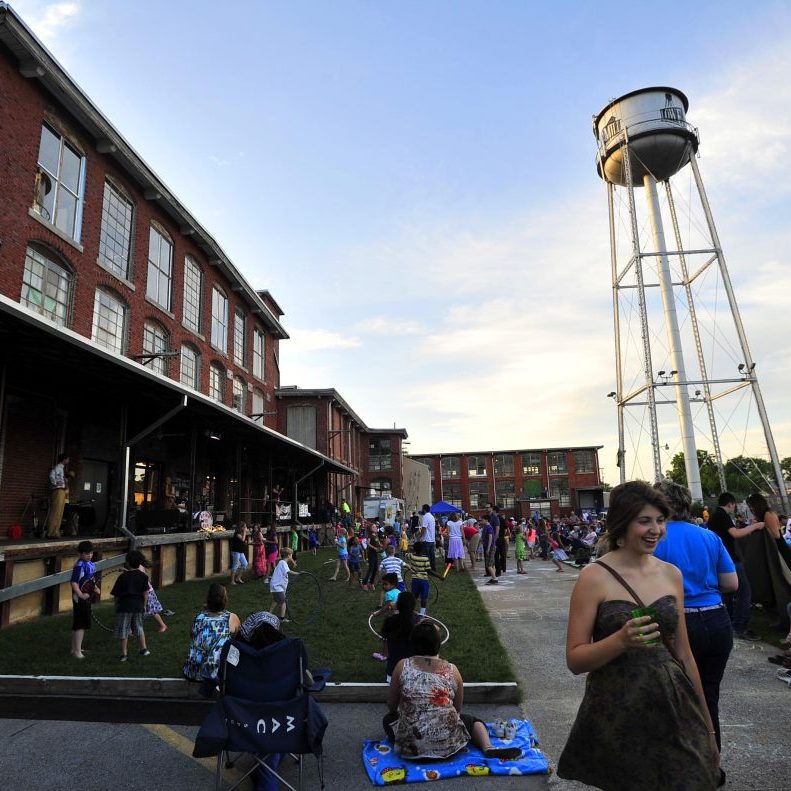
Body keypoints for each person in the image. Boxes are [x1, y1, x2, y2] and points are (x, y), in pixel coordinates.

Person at [557, 480, 720, 790]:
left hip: (672, 704)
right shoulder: (594, 577)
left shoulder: (671, 574)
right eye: (644, 521)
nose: (655, 529)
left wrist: (708, 728)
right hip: (617, 709)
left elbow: (684, 653)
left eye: (660, 520)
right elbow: (575, 659)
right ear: (622, 522)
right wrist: (620, 641)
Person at [653, 479, 738, 751]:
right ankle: (712, 763)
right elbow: (731, 583)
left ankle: (680, 762)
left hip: (677, 622)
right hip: (716, 620)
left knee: (673, 697)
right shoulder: (709, 536)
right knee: (707, 695)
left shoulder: (655, 539)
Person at [383, 620, 520, 760]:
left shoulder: (402, 666)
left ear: (412, 643)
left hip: (411, 748)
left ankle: (417, 743)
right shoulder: (452, 670)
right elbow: (457, 708)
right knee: (473, 722)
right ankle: (488, 747)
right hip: (448, 745)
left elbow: (391, 706)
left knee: (388, 720)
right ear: (438, 644)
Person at [708, 492, 764, 641]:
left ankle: (730, 623)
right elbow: (736, 534)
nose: (734, 508)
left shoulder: (715, 516)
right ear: (730, 503)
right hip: (730, 560)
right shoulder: (722, 515)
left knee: (727, 593)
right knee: (744, 592)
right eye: (734, 505)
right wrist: (756, 526)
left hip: (720, 559)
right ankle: (740, 626)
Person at [183, 583, 240, 682]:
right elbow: (239, 641)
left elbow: (192, 636)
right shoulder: (232, 618)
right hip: (216, 674)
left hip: (192, 671)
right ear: (224, 599)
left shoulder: (197, 617)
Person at [110, 550, 151, 662]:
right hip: (138, 606)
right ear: (140, 563)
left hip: (125, 606)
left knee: (124, 629)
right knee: (139, 627)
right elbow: (145, 592)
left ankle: (124, 654)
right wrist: (144, 604)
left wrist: (116, 605)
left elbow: (116, 594)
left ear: (127, 563)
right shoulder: (143, 576)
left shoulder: (123, 577)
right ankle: (144, 649)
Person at [378, 591, 420, 681]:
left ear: (398, 604)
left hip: (393, 668)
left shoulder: (390, 621)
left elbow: (385, 640)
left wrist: (385, 654)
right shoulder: (416, 620)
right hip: (412, 670)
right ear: (413, 606)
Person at [70, 540, 98, 659]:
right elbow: (74, 582)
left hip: (86, 597)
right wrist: (80, 595)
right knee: (80, 624)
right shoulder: (79, 566)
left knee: (80, 623)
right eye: (86, 553)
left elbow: (90, 580)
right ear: (81, 554)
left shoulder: (91, 564)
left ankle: (75, 648)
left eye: (91, 553)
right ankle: (77, 651)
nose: (89, 555)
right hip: (80, 598)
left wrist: (95, 588)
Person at [270, 546, 298, 620]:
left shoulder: (282, 562)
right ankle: (282, 619)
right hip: (277, 586)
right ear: (288, 555)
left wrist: (293, 563)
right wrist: (297, 573)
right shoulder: (283, 563)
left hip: (276, 586)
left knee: (275, 600)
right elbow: (288, 571)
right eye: (291, 555)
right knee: (283, 602)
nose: (291, 556)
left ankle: (269, 614)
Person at [405, 541, 432, 616]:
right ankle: (422, 614)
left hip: (415, 580)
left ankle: (410, 611)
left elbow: (406, 554)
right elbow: (428, 570)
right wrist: (440, 577)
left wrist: (410, 549)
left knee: (414, 596)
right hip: (424, 580)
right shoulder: (425, 558)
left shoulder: (411, 556)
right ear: (423, 549)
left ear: (414, 549)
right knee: (424, 598)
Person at [47, 453, 69, 538]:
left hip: (62, 490)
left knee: (60, 511)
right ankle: (51, 532)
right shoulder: (57, 467)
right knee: (56, 511)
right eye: (67, 459)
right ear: (64, 459)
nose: (68, 461)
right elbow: (51, 475)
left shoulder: (62, 468)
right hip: (58, 490)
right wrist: (56, 484)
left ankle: (56, 531)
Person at [362, 526, 383, 591]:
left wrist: (383, 545)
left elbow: (379, 543)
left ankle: (371, 583)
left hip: (375, 554)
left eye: (375, 527)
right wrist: (374, 547)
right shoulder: (370, 536)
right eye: (373, 527)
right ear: (370, 529)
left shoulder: (376, 536)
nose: (376, 527)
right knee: (371, 569)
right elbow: (368, 543)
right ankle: (364, 583)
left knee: (375, 568)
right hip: (371, 554)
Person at [483, 504, 499, 584]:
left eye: (482, 520)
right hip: (490, 546)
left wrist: (489, 547)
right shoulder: (487, 526)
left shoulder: (489, 527)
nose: (481, 521)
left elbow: (490, 537)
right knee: (492, 564)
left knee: (489, 564)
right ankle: (493, 577)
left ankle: (495, 578)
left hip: (491, 546)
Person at [419, 504, 437, 571]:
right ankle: (433, 568)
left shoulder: (425, 517)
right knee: (432, 555)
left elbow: (424, 528)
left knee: (426, 556)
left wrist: (420, 537)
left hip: (426, 539)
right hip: (432, 539)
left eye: (422, 509)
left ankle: (427, 569)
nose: (422, 510)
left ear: (424, 509)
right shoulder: (432, 516)